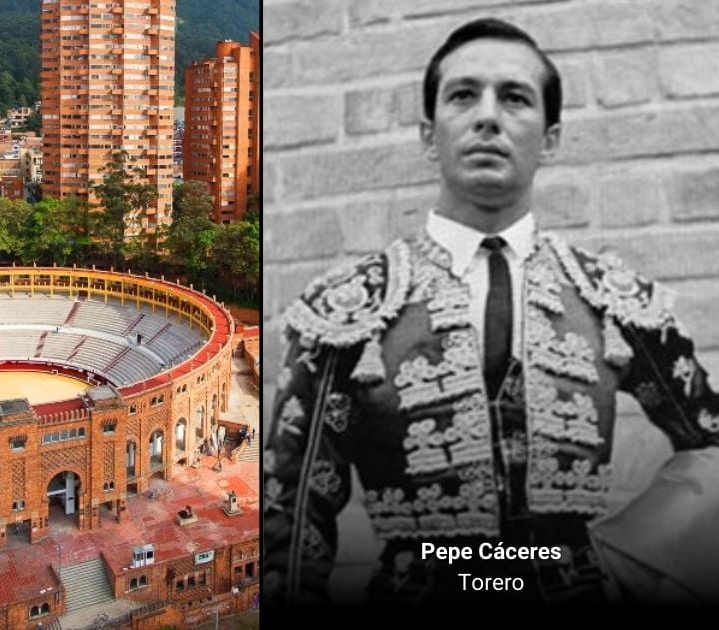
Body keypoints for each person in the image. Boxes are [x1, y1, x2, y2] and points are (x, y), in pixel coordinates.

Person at [264, 17, 719, 608]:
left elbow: (710, 440)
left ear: (549, 138)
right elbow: (293, 510)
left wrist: (633, 557)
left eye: (514, 97)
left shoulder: (612, 296)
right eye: (463, 95)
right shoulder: (351, 306)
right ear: (430, 136)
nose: (487, 116)